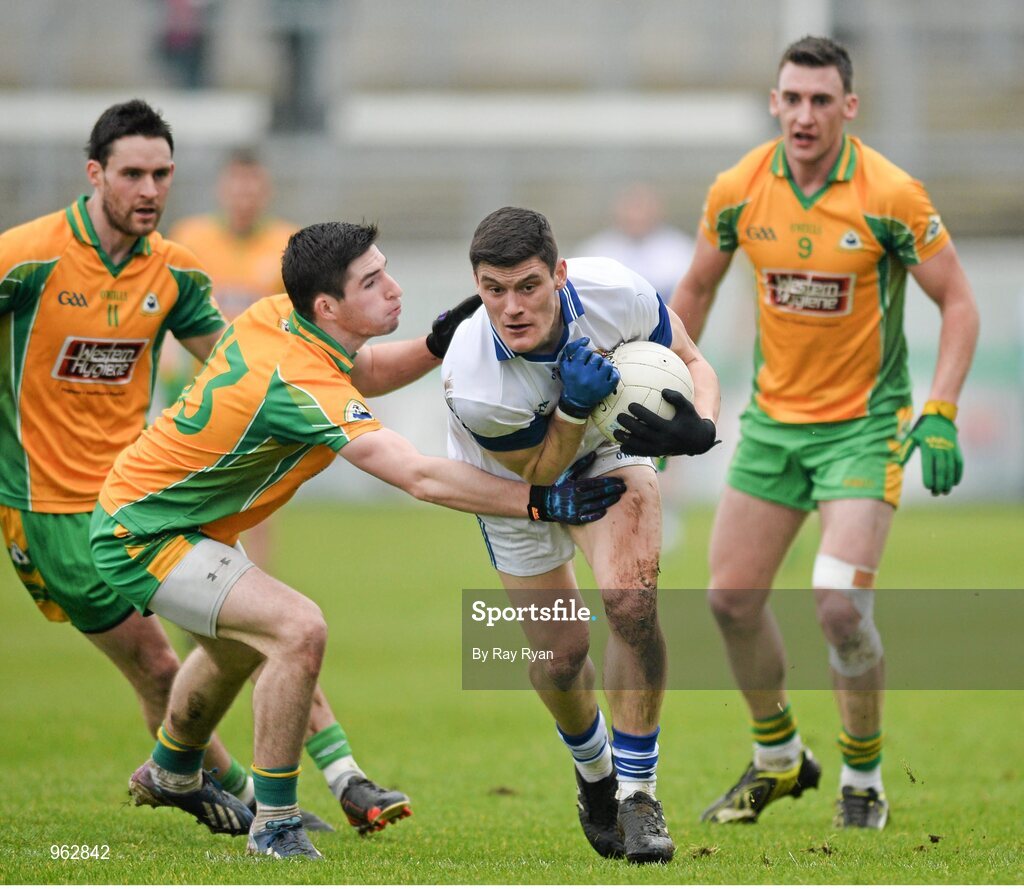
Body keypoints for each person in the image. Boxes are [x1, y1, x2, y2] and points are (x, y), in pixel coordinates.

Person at [90, 220, 626, 860]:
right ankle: (276, 824)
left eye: (386, 269)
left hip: (168, 517)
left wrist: (431, 343)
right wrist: (542, 500)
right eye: (372, 282)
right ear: (328, 306)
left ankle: (172, 771)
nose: (393, 288)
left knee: (236, 649)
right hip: (142, 531)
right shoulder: (299, 381)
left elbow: (363, 368)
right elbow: (419, 475)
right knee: (297, 629)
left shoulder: (280, 317)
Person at [0, 99, 413, 838]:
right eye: (132, 173)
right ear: (94, 173)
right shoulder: (26, 257)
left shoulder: (175, 269)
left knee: (249, 628)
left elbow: (238, 368)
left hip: (152, 492)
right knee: (170, 661)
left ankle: (302, 779)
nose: (149, 189)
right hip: (50, 505)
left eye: (162, 173)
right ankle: (246, 798)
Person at [654, 36, 979, 830]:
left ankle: (863, 778)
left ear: (848, 107)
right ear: (775, 102)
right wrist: (670, 388)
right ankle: (779, 756)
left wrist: (939, 408)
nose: (804, 115)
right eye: (791, 99)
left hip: (863, 433)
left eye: (821, 101)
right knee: (729, 599)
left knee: (837, 605)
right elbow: (693, 285)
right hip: (771, 429)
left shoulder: (891, 194)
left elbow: (960, 304)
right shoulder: (740, 187)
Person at [441, 206, 720, 864]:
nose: (511, 306)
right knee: (562, 656)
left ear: (559, 274)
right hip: (515, 488)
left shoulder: (616, 292)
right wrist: (569, 403)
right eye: (493, 288)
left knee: (631, 601)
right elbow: (538, 472)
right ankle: (594, 773)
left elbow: (691, 358)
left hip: (606, 449)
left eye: (528, 285)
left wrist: (700, 425)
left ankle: (638, 795)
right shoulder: (474, 379)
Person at [166, 147, 297, 568]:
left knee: (256, 504)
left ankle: (255, 598)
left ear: (266, 191)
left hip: (262, 396)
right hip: (199, 396)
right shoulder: (191, 238)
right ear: (223, 189)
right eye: (237, 186)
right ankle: (195, 602)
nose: (244, 197)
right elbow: (168, 311)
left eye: (252, 187)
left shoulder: (288, 245)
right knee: (193, 504)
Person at [576, 183, 695, 300]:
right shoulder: (596, 250)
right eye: (631, 208)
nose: (636, 216)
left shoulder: (681, 251)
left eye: (642, 208)